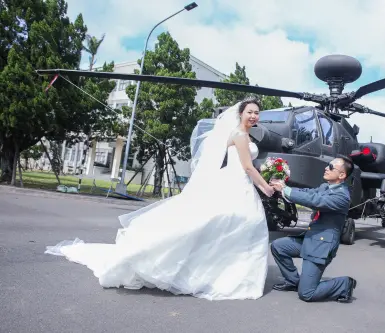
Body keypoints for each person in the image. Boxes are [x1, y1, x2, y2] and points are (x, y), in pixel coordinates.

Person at [44, 97, 276, 301]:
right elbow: (246, 167)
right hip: (237, 186)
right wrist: (266, 187)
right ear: (241, 113)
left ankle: (223, 270)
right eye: (250, 112)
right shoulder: (239, 134)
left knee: (231, 227)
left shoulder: (239, 135)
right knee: (243, 226)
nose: (254, 116)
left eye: (257, 113)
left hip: (235, 184)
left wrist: (267, 172)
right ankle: (228, 275)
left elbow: (243, 163)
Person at [269, 155, 357, 303]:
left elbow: (315, 201)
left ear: (342, 175)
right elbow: (308, 193)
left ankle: (344, 284)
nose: (326, 168)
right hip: (310, 239)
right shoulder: (325, 187)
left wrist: (286, 190)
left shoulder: (342, 196)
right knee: (278, 247)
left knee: (307, 294)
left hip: (320, 247)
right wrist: (285, 188)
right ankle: (293, 282)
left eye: (330, 167)